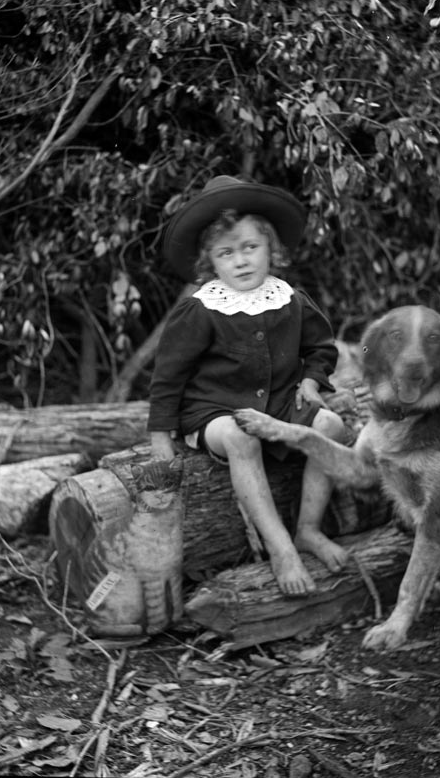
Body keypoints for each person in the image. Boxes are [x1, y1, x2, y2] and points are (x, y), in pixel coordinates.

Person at [147, 175, 348, 595]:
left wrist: (311, 384)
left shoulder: (289, 299)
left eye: (250, 248)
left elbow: (321, 348)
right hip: (214, 409)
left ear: (270, 249)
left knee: (332, 427)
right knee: (241, 438)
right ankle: (280, 548)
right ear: (211, 262)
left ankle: (307, 529)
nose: (240, 260)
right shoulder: (202, 308)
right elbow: (168, 375)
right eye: (226, 253)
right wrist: (160, 438)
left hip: (278, 404)